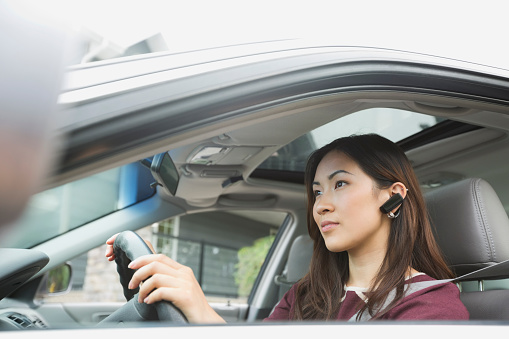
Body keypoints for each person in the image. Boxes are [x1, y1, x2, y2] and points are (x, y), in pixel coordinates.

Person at [105, 134, 469, 322]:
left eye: (340, 184)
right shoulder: (309, 294)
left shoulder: (431, 308)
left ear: (393, 196)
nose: (320, 204)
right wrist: (186, 299)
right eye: (316, 192)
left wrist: (199, 309)